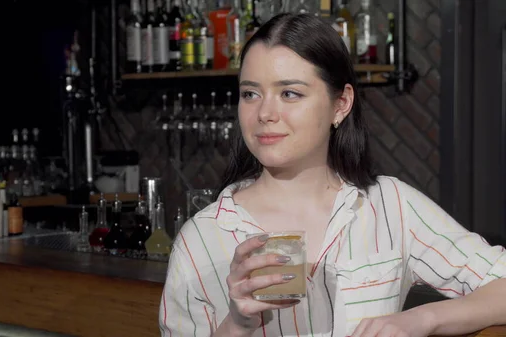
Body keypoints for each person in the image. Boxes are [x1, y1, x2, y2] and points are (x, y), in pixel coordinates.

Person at [159, 13, 506, 337]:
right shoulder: (202, 239)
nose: (265, 112)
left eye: (290, 93)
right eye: (251, 93)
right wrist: (238, 321)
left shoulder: (390, 206)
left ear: (340, 104)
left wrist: (423, 318)